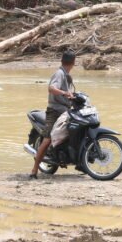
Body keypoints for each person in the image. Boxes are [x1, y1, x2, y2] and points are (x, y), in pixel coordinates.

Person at [30, 50, 76, 179]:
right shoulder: (59, 74)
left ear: (62, 61)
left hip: (66, 110)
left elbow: (69, 92)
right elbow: (51, 88)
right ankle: (34, 170)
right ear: (73, 63)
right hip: (54, 111)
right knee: (47, 139)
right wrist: (64, 93)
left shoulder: (67, 75)